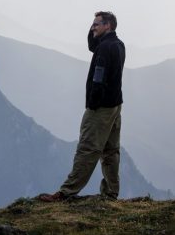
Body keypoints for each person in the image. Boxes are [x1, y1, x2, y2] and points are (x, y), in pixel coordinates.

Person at [38, 11, 125, 202]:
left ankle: (66, 192)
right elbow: (92, 45)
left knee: (87, 148)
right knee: (111, 150)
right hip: (115, 106)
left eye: (96, 24)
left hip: (100, 108)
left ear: (107, 25)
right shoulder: (117, 45)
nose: (93, 27)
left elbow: (99, 78)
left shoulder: (105, 49)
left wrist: (93, 103)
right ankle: (111, 192)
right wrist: (93, 28)